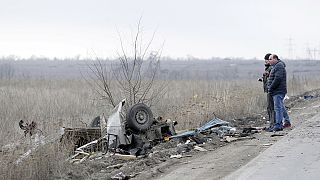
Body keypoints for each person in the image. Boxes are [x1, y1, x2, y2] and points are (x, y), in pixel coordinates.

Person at [267, 54, 291, 131]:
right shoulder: (276, 66)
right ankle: (285, 122)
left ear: (275, 59)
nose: (269, 61)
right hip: (277, 90)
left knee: (278, 108)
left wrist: (271, 88)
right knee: (280, 107)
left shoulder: (279, 66)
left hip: (278, 90)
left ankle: (278, 125)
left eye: (270, 59)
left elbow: (278, 78)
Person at [259, 53, 275, 129]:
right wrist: (262, 79)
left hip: (271, 89)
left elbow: (272, 78)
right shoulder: (268, 68)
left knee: (271, 107)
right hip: (268, 89)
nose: (265, 61)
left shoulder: (272, 68)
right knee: (270, 107)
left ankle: (273, 123)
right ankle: (272, 123)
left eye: (267, 60)